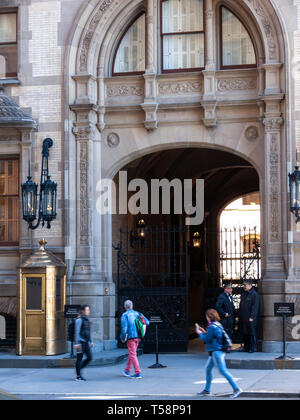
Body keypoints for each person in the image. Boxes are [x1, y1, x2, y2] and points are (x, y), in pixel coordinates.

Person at [196, 309, 242, 399]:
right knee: (208, 369)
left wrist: (199, 333)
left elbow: (206, 339)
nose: (206, 318)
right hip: (215, 351)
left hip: (216, 351)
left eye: (206, 316)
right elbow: (214, 336)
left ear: (209, 317)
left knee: (223, 371)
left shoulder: (212, 326)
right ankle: (206, 390)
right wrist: (204, 332)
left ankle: (237, 389)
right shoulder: (217, 324)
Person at [120, 300, 149, 379]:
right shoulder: (138, 313)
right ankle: (127, 370)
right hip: (138, 337)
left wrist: (122, 338)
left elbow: (124, 328)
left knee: (133, 354)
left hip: (131, 337)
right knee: (132, 353)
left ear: (125, 307)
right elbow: (147, 322)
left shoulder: (125, 315)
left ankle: (137, 373)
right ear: (132, 306)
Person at [239, 280, 260, 353]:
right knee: (245, 333)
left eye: (245, 285)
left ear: (250, 285)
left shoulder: (254, 294)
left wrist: (252, 317)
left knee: (251, 333)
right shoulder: (244, 294)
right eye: (244, 285)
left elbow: (255, 307)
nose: (244, 287)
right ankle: (246, 347)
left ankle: (252, 348)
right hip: (243, 317)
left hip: (250, 318)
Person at [74, 305, 94, 381]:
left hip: (86, 342)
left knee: (90, 357)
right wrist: (77, 343)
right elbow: (77, 332)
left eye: (89, 310)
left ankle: (79, 369)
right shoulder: (79, 320)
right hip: (80, 342)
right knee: (79, 359)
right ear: (82, 311)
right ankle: (78, 376)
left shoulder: (87, 319)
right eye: (87, 310)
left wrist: (91, 340)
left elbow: (88, 331)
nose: (88, 311)